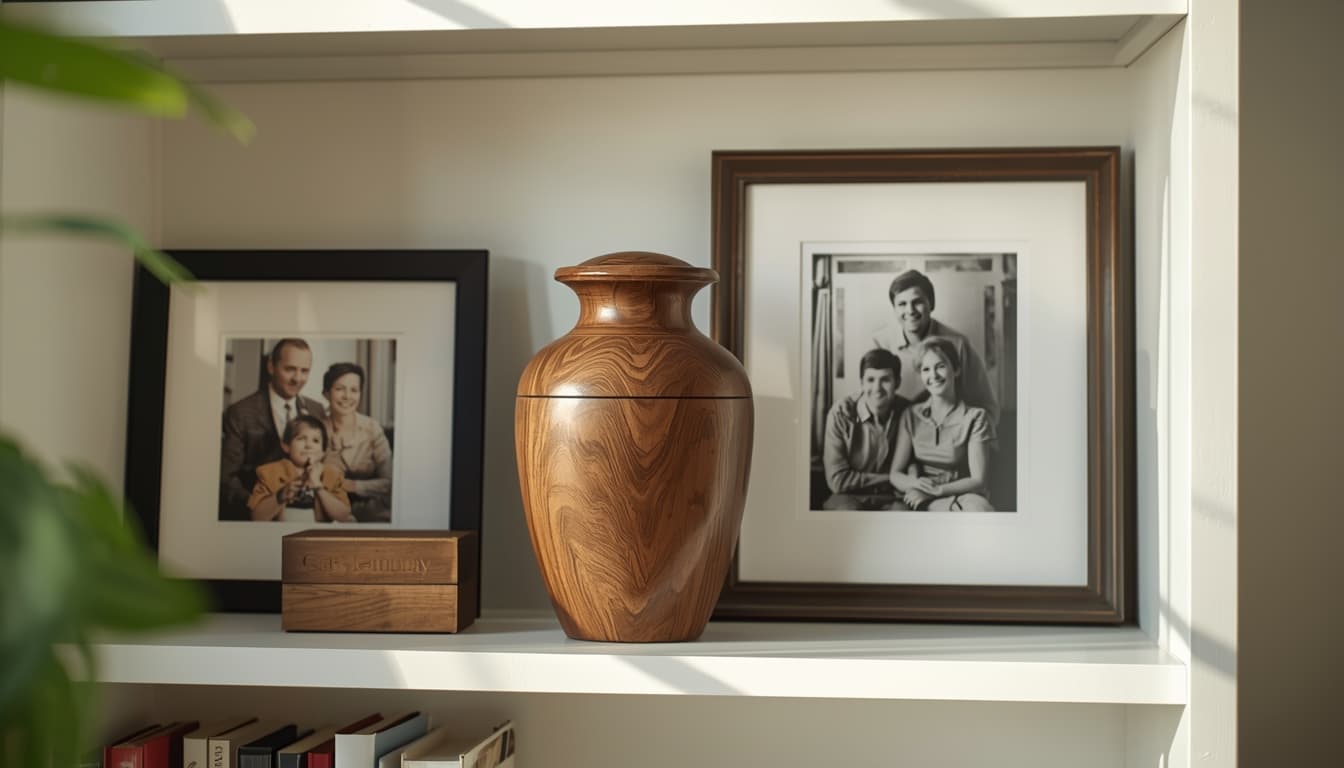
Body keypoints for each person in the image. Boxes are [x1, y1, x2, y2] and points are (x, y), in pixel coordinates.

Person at [872, 269, 999, 425]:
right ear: (894, 309)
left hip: (946, 435)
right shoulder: (880, 343)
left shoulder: (958, 344)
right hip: (897, 432)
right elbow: (871, 398)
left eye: (917, 302)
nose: (910, 310)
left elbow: (987, 406)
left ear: (931, 304)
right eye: (902, 304)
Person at [219, 338, 326, 521]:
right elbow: (227, 478)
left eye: (304, 371)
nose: (297, 378)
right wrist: (259, 507)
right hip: (255, 519)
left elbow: (325, 467)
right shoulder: (239, 413)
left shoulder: (317, 410)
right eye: (290, 369)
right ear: (271, 367)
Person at [888, 337, 995, 511]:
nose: (933, 375)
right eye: (926, 369)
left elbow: (978, 480)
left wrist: (936, 491)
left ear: (956, 369)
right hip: (919, 495)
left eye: (940, 366)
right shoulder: (910, 414)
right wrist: (916, 485)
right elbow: (895, 474)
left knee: (980, 510)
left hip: (961, 494)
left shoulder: (976, 417)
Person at [820, 348, 911, 510]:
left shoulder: (908, 411)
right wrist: (892, 479)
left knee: (904, 518)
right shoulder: (841, 413)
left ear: (897, 382)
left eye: (885, 380)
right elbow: (837, 480)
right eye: (870, 380)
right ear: (861, 382)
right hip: (848, 495)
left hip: (894, 497)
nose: (877, 388)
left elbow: (914, 463)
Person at [320, 362, 394, 522]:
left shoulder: (372, 428)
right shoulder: (316, 430)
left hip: (372, 511)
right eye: (339, 389)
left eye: (354, 390)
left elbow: (390, 482)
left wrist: (352, 485)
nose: (347, 396)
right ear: (326, 393)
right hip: (327, 509)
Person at [247, 415, 353, 522]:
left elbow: (344, 517)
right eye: (301, 439)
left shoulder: (332, 475)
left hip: (315, 536)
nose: (308, 445)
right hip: (280, 535)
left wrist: (318, 487)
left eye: (315, 441)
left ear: (323, 452)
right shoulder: (269, 473)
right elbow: (256, 517)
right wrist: (280, 496)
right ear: (286, 446)